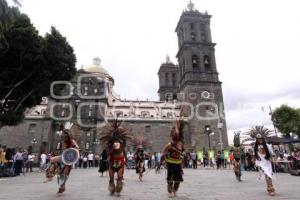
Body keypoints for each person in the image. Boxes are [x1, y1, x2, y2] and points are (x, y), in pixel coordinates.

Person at [99, 119, 132, 196]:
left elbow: (124, 149)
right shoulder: (110, 143)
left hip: (120, 162)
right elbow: (107, 150)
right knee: (111, 178)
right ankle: (111, 186)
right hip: (112, 162)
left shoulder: (122, 142)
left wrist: (125, 159)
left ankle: (119, 187)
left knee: (120, 176)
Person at [44, 122, 79, 194]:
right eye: (63, 135)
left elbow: (76, 149)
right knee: (52, 160)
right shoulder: (62, 141)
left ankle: (62, 186)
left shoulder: (72, 141)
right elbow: (57, 150)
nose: (64, 137)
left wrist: (74, 150)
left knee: (64, 174)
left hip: (68, 160)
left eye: (65, 135)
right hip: (62, 156)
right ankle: (49, 175)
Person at [249, 126, 276, 196]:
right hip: (260, 164)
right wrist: (253, 160)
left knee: (268, 176)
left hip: (267, 163)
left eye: (260, 139)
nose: (259, 140)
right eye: (258, 139)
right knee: (267, 176)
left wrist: (273, 159)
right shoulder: (255, 147)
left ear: (262, 139)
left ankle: (270, 188)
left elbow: (272, 154)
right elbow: (254, 155)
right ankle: (270, 188)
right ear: (256, 140)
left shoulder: (267, 146)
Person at [161, 119, 184, 198]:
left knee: (178, 178)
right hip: (170, 162)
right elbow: (163, 152)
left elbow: (182, 153)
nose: (177, 134)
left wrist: (182, 159)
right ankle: (170, 190)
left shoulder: (181, 144)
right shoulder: (169, 144)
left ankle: (175, 190)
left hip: (178, 163)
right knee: (170, 177)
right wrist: (162, 160)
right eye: (175, 134)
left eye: (178, 134)